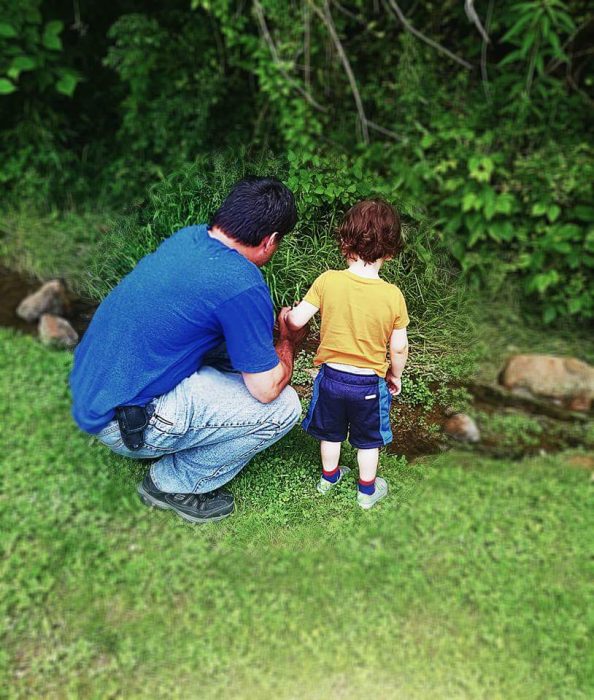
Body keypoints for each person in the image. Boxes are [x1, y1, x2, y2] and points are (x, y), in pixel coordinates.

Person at [70, 177, 308, 523]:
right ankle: (170, 483)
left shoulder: (190, 238)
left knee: (229, 353)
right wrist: (289, 342)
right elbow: (267, 388)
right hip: (121, 423)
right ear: (270, 241)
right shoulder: (240, 283)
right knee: (284, 407)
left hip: (91, 389)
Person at [284, 199, 409, 509]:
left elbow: (297, 320)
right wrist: (395, 374)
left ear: (345, 240)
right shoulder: (392, 295)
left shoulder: (328, 281)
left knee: (331, 432)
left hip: (331, 379)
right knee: (368, 440)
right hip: (368, 385)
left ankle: (329, 479)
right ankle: (367, 492)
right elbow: (399, 346)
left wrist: (287, 315)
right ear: (390, 251)